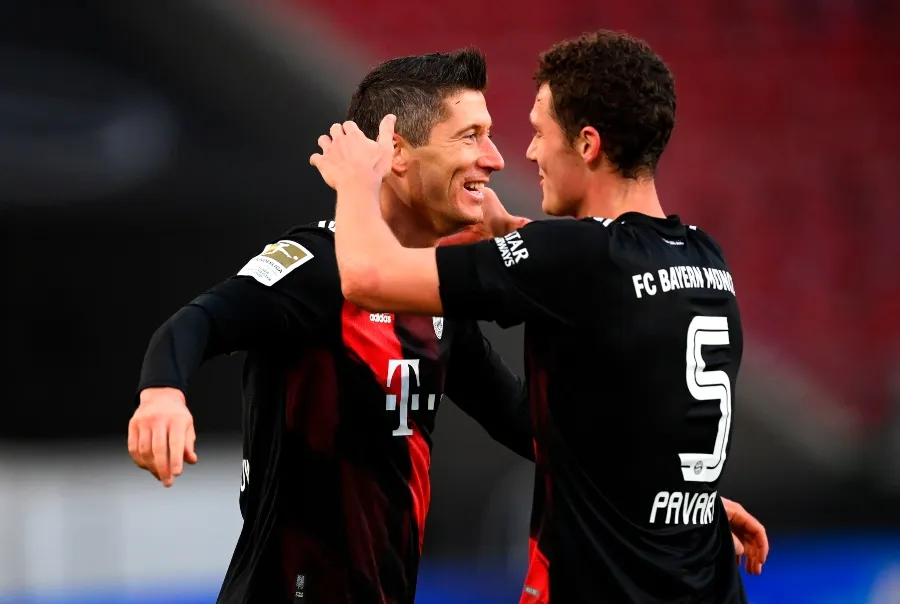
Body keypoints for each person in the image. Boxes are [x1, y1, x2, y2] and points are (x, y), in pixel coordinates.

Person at [310, 31, 766, 603]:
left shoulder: (573, 259)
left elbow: (366, 279)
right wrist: (697, 500)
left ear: (588, 144)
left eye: (539, 132)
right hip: (705, 579)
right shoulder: (703, 258)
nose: (526, 153)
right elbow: (633, 404)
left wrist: (356, 183)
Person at [128, 49, 534, 604]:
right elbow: (199, 320)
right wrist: (161, 394)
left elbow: (524, 422)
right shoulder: (317, 264)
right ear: (396, 153)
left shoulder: (435, 294)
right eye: (470, 137)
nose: (495, 158)